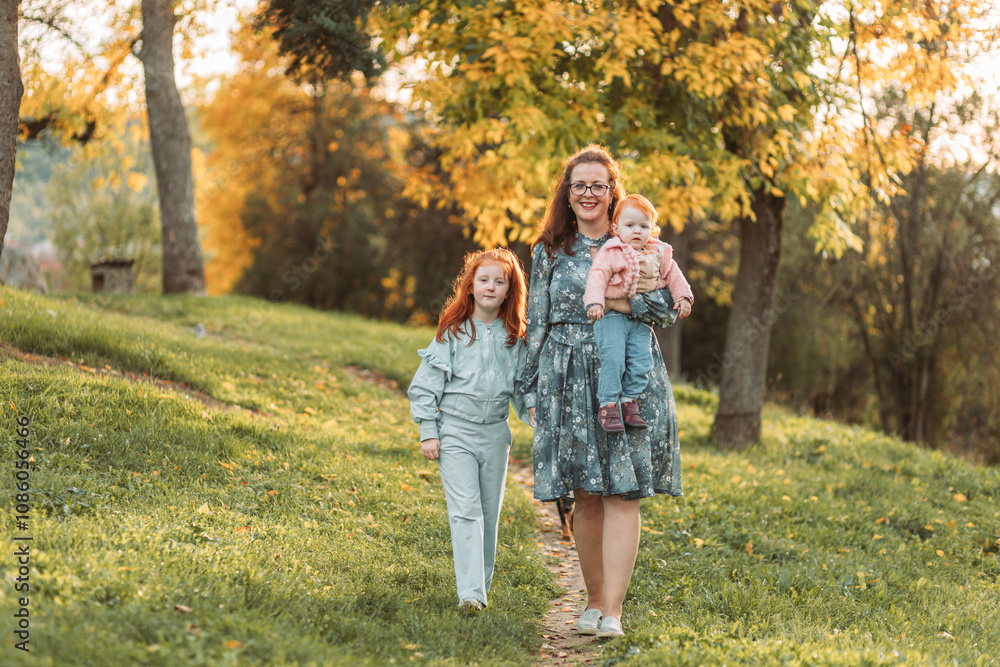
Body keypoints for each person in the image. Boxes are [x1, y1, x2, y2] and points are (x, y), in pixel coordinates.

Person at [521, 145, 684, 638]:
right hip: (567, 375)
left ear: (613, 192)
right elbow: (538, 323)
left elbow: (669, 309)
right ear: (567, 195)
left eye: (599, 185)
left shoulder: (643, 246)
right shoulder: (549, 250)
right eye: (579, 185)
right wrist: (530, 388)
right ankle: (593, 601)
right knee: (587, 493)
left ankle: (614, 610)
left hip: (630, 374)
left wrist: (614, 302)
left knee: (625, 491)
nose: (589, 193)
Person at [408, 248, 531, 612]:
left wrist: (537, 414)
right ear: (471, 286)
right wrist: (429, 430)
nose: (491, 287)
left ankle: (480, 588)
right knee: (466, 511)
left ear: (510, 291)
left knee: (488, 515)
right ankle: (471, 595)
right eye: (484, 280)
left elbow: (523, 387)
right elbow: (424, 386)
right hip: (455, 432)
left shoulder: (515, 337)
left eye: (500, 282)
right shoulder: (454, 331)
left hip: (495, 434)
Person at [583, 194, 693, 432]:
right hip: (611, 316)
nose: (637, 231)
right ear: (616, 228)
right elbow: (598, 276)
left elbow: (675, 277)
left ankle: (628, 401)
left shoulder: (658, 253)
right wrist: (594, 302)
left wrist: (683, 297)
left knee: (642, 361)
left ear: (652, 229)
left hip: (640, 320)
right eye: (630, 225)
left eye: (644, 226)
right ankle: (608, 404)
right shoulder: (612, 251)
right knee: (613, 359)